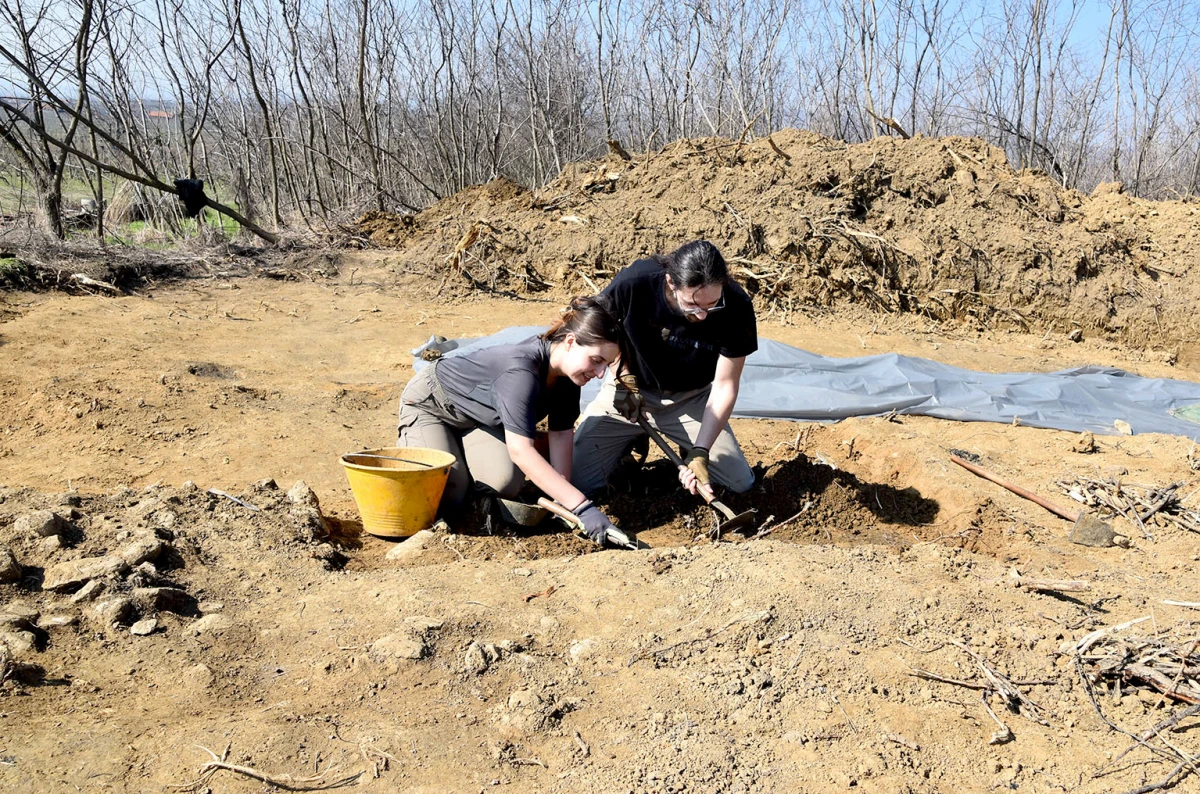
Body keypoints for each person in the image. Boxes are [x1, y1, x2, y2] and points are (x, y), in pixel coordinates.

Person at [397, 295, 632, 547]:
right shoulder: (520, 371)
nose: (598, 374)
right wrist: (584, 507)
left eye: (605, 366)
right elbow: (521, 451)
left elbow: (561, 435)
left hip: (483, 418)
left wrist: (564, 501)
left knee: (505, 482)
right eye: (596, 361)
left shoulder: (568, 379)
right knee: (448, 495)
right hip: (432, 405)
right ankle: (435, 450)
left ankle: (461, 460)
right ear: (571, 342)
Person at [572, 240, 758, 499]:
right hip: (631, 389)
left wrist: (701, 451)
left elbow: (726, 385)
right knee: (579, 481)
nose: (703, 315)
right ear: (672, 283)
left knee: (739, 485)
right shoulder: (635, 282)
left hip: (691, 399)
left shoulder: (736, 305)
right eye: (693, 304)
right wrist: (623, 378)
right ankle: (626, 447)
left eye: (712, 304)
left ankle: (689, 446)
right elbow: (600, 336)